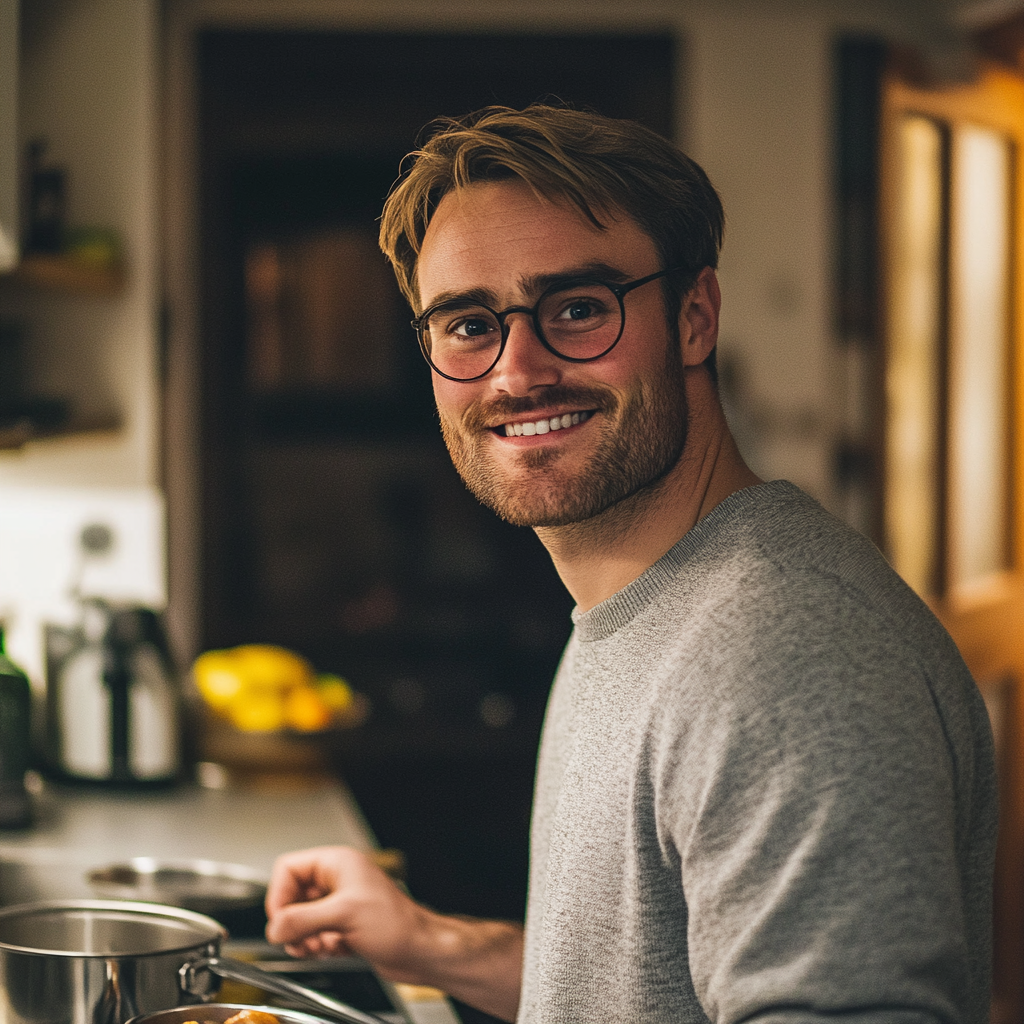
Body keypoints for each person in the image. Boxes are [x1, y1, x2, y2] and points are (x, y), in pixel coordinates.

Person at [264, 105, 997, 1024]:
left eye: (576, 308)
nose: (516, 373)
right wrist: (430, 942)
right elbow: (644, 985)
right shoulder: (643, 605)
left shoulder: (778, 650)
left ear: (694, 318)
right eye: (465, 325)